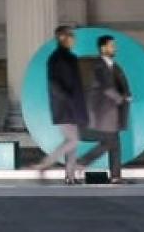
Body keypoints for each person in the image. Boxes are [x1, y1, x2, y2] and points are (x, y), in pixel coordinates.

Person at [34, 25, 89, 184]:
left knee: (72, 142)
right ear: (62, 38)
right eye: (71, 36)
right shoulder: (57, 58)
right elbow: (55, 84)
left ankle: (70, 176)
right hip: (65, 106)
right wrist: (69, 98)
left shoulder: (68, 57)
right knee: (73, 140)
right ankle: (45, 164)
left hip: (70, 106)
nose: (74, 39)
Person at [78, 34, 132, 184]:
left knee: (114, 142)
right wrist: (122, 99)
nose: (114, 48)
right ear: (103, 48)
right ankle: (83, 161)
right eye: (111, 45)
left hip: (110, 112)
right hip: (101, 111)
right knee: (111, 141)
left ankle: (115, 176)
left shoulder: (113, 66)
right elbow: (106, 87)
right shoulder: (99, 65)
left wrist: (126, 95)